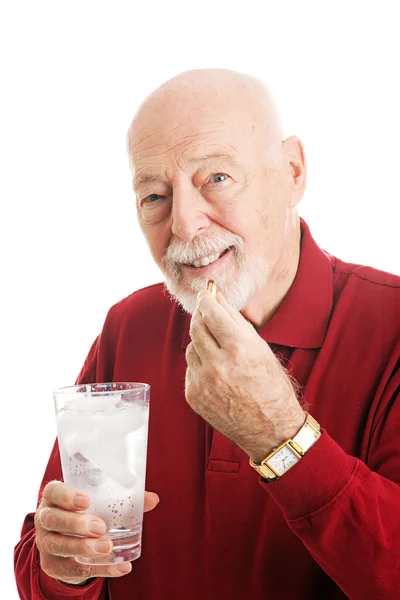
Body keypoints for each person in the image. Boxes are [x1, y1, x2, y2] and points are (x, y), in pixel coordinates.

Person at [14, 68, 400, 600]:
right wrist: (63, 567)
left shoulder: (392, 325)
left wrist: (281, 435)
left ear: (292, 171)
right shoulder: (128, 326)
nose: (183, 225)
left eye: (216, 178)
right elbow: (44, 560)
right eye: (154, 195)